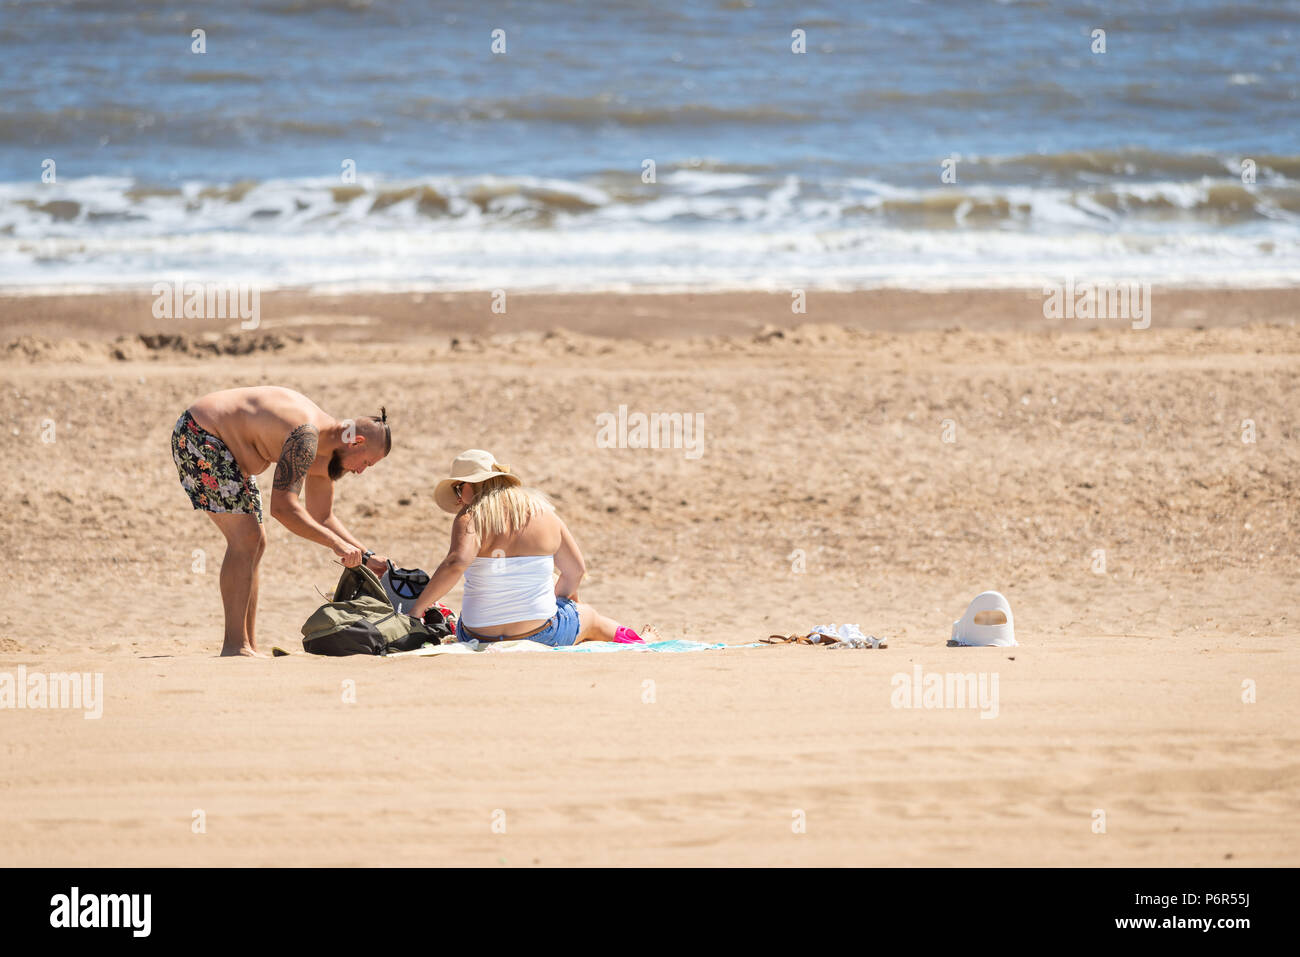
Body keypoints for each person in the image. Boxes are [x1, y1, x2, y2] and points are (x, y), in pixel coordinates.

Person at [171, 386, 392, 657]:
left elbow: (322, 516)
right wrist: (337, 545)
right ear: (355, 441)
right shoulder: (306, 436)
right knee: (246, 539)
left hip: (225, 448)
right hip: (200, 433)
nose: (360, 472)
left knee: (256, 542)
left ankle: (247, 645)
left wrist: (366, 555)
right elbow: (284, 508)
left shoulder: (327, 450)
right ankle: (234, 646)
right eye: (366, 463)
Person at [408, 449, 656, 647]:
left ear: (472, 486)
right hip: (543, 634)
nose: (460, 498)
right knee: (588, 615)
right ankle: (640, 641)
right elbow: (576, 572)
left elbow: (457, 563)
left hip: (476, 635)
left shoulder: (471, 517)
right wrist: (557, 601)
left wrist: (418, 608)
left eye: (459, 489)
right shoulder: (543, 514)